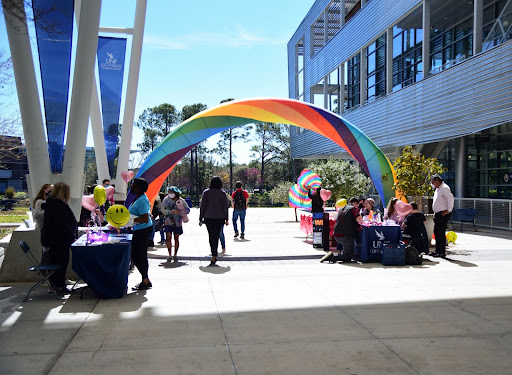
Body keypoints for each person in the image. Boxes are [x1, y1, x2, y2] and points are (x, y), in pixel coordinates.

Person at [40, 182, 77, 294]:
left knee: (60, 263)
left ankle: (58, 285)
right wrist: (71, 236)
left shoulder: (53, 204)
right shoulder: (57, 206)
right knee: (60, 263)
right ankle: (59, 286)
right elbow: (61, 225)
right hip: (58, 241)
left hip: (56, 240)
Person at [128, 178, 153, 290]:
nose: (132, 186)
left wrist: (131, 220)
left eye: (134, 185)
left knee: (140, 255)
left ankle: (145, 280)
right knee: (137, 255)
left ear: (138, 187)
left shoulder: (142, 200)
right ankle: (145, 279)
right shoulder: (138, 198)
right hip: (138, 230)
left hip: (143, 230)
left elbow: (145, 218)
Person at [200, 176, 229, 265]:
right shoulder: (222, 193)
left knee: (211, 236)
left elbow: (203, 206)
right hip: (219, 218)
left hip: (208, 217)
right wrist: (226, 218)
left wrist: (200, 218)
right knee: (216, 235)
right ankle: (214, 255)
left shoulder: (206, 192)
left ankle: (213, 254)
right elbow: (225, 207)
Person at [331, 197, 363, 262]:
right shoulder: (354, 209)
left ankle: (337, 256)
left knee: (347, 251)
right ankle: (333, 257)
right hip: (345, 235)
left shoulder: (342, 208)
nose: (358, 207)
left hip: (337, 233)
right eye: (358, 205)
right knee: (348, 256)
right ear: (355, 203)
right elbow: (359, 220)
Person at [162, 186, 190, 261]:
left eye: (172, 192)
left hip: (177, 222)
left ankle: (175, 254)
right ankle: (169, 254)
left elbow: (187, 210)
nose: (170, 194)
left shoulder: (181, 201)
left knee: (176, 238)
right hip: (168, 221)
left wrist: (180, 212)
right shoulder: (165, 200)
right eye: (169, 192)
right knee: (168, 237)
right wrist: (169, 212)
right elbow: (162, 210)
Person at [431, 174, 454, 258]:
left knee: (440, 232)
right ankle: (438, 250)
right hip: (438, 213)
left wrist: (448, 210)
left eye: (433, 182)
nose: (432, 184)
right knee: (437, 232)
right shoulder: (438, 189)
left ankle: (441, 252)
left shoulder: (444, 188)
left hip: (443, 213)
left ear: (437, 181)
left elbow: (450, 198)